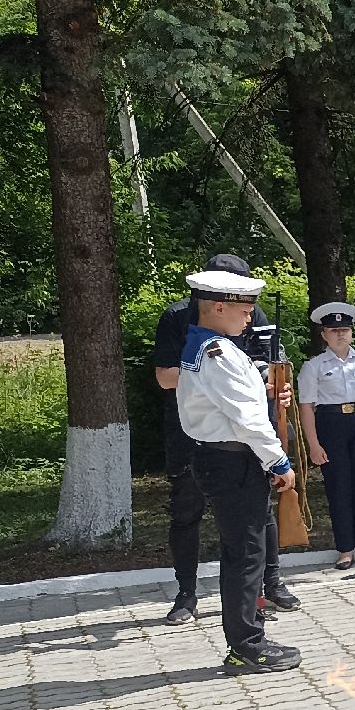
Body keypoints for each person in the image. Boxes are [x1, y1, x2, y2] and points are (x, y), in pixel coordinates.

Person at [151, 254, 300, 625]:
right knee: (188, 513)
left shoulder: (248, 316)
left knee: (256, 522)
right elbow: (165, 376)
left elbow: (269, 366)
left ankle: (268, 586)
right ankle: (187, 594)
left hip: (245, 435)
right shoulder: (180, 318)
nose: (250, 311)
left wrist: (274, 389)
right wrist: (221, 386)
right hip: (202, 431)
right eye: (242, 300)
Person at [298, 303, 355, 569]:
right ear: (324, 334)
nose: (340, 335)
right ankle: (345, 548)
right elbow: (306, 407)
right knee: (338, 485)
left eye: (345, 330)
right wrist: (313, 443)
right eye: (334, 330)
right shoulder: (314, 366)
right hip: (331, 423)